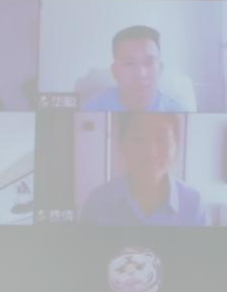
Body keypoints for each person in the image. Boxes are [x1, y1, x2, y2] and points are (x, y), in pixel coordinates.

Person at [79, 113, 208, 226]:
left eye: (161, 139)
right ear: (121, 145)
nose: (150, 152)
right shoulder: (98, 202)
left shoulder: (194, 204)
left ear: (176, 145)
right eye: (138, 139)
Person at [83, 26, 187, 113]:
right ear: (115, 71)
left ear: (160, 69)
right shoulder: (91, 109)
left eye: (149, 62)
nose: (140, 74)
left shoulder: (179, 111)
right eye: (129, 63)